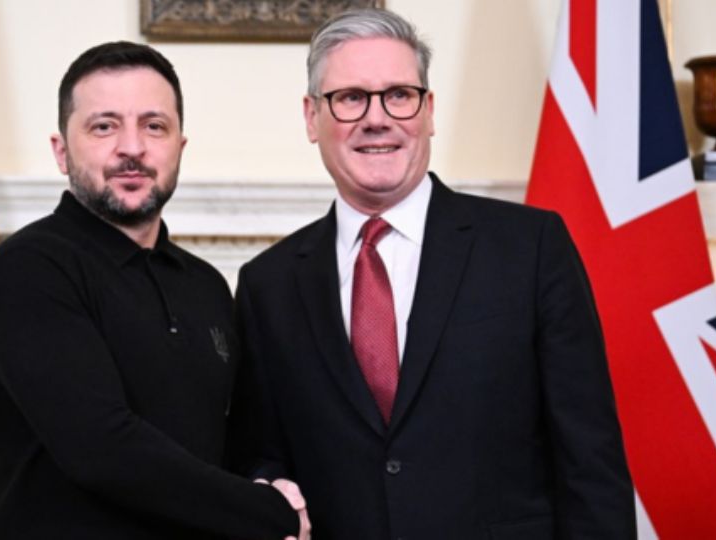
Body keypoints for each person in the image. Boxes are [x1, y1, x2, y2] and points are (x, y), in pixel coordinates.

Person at [228, 9, 636, 539]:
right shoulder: (269, 285)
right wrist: (269, 489)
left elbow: (591, 461)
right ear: (311, 117)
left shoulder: (531, 248)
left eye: (399, 94)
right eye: (350, 98)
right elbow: (259, 457)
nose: (377, 118)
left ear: (429, 110)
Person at [0, 41, 309, 539]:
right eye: (104, 126)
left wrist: (268, 480)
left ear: (179, 148)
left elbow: (228, 447)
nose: (132, 147)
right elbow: (101, 449)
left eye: (154, 126)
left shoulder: (207, 287)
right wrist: (267, 512)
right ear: (61, 152)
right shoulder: (27, 269)